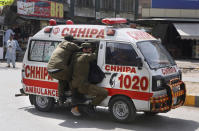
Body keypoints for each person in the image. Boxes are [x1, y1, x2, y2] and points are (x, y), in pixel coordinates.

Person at [70, 42, 108, 116]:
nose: (90, 51)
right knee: (104, 93)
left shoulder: (75, 56)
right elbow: (95, 55)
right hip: (83, 85)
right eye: (89, 50)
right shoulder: (85, 57)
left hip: (74, 84)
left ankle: (78, 108)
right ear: (84, 50)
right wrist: (101, 44)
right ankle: (90, 107)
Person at [47, 34, 80, 104]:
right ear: (71, 40)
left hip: (50, 69)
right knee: (72, 78)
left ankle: (61, 97)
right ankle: (75, 97)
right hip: (59, 68)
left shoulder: (60, 44)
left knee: (62, 80)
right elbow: (80, 49)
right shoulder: (69, 44)